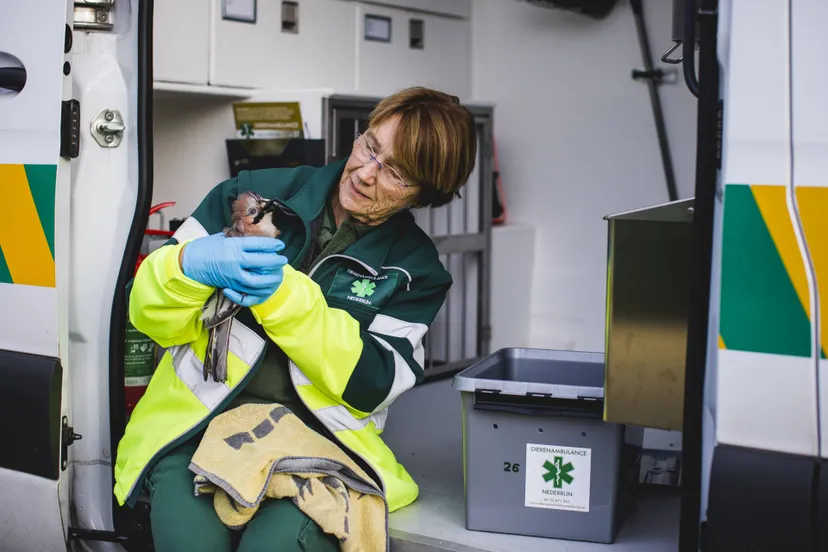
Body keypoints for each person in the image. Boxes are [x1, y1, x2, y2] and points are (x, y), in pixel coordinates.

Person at [113, 86, 478, 552]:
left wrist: (282, 296)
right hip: (197, 430)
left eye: (395, 173)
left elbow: (373, 383)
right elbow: (146, 316)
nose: (366, 174)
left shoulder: (416, 271)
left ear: (426, 193)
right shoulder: (248, 196)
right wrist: (185, 267)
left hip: (319, 448)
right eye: (370, 146)